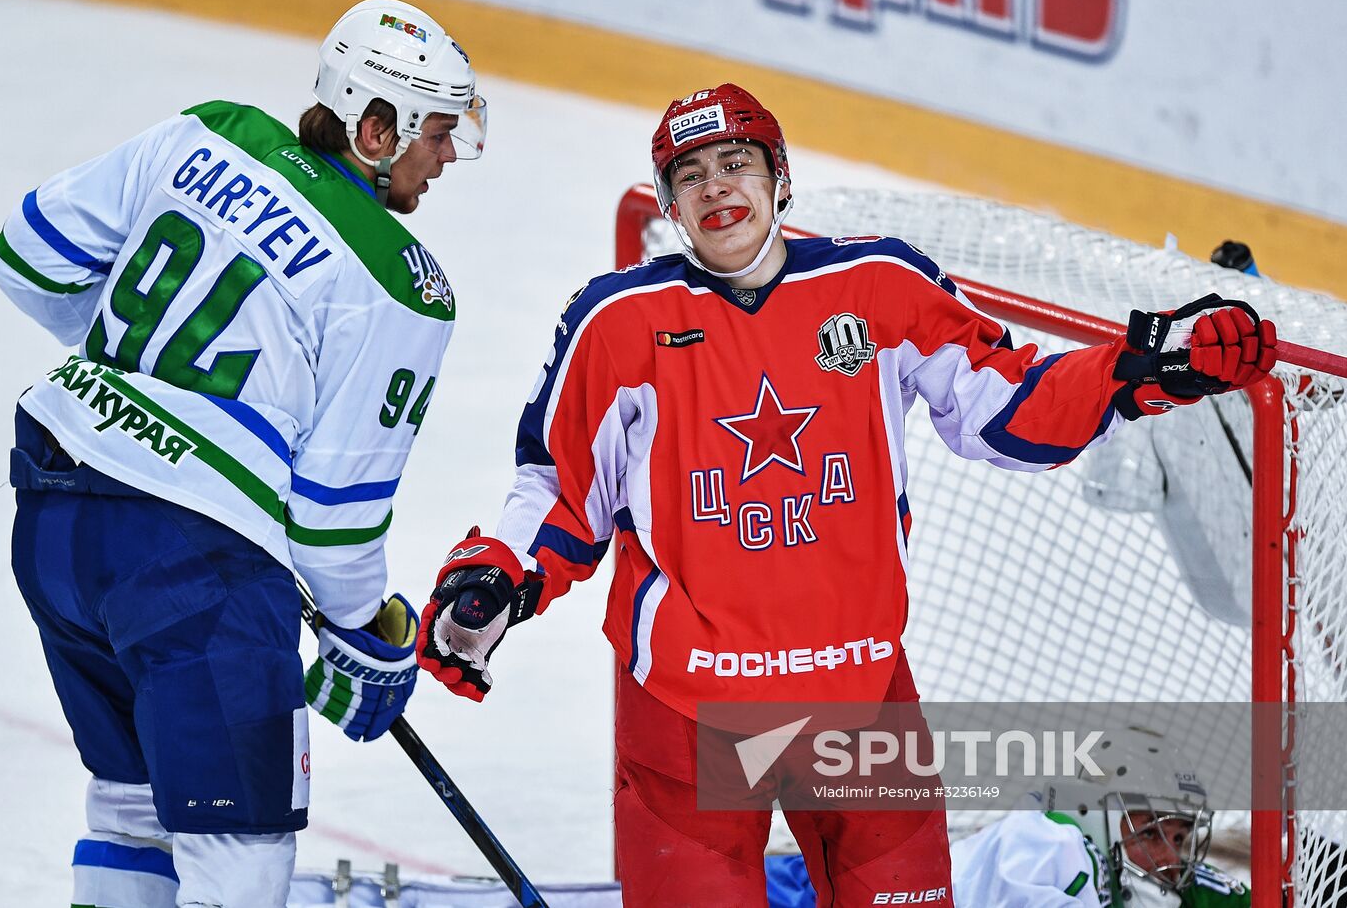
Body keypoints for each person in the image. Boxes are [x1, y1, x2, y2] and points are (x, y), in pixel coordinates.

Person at [412, 84, 1278, 905]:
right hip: (687, 712)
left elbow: (1009, 407)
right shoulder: (617, 323)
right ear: (669, 208)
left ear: (780, 177)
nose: (717, 189)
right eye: (691, 176)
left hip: (859, 704)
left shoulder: (880, 289)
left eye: (736, 163)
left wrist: (1141, 367)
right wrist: (498, 578)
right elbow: (563, 487)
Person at [0, 0, 485, 908]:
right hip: (193, 572)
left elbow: (26, 257)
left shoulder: (208, 132)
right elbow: (335, 522)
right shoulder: (396, 282)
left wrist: (141, 382)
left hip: (55, 517)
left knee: (132, 811)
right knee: (238, 843)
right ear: (378, 129)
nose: (448, 155)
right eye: (439, 134)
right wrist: (364, 633)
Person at [951, 726, 1251, 907]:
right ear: (1095, 817)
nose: (1167, 859)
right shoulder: (1047, 846)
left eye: (1178, 837)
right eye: (1149, 833)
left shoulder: (1180, 884)